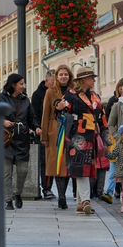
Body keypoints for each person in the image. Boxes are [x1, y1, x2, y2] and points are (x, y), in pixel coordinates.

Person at [63, 66, 110, 215]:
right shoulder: (71, 94)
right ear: (84, 79)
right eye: (92, 78)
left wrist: (106, 139)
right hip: (77, 135)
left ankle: (79, 203)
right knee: (81, 167)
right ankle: (86, 201)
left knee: (87, 168)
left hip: (92, 137)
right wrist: (57, 106)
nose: (94, 80)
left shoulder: (95, 96)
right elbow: (60, 109)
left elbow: (102, 119)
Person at [0, 73, 41, 211]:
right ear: (13, 84)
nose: (23, 86)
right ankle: (8, 200)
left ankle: (18, 193)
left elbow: (31, 117)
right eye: (21, 83)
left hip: (22, 140)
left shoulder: (25, 100)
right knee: (6, 173)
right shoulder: (0, 98)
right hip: (5, 140)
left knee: (23, 171)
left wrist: (37, 127)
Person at [41, 65, 74, 209]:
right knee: (57, 164)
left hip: (70, 131)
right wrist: (44, 135)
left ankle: (62, 194)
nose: (63, 77)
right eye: (60, 74)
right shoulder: (50, 92)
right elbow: (45, 114)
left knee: (66, 164)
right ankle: (61, 195)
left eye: (66, 74)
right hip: (54, 132)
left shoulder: (73, 92)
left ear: (69, 76)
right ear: (56, 77)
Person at [32, 69, 55, 200]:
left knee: (53, 159)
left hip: (54, 131)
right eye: (53, 82)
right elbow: (34, 114)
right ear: (47, 81)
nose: (54, 84)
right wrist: (37, 128)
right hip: (42, 131)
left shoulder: (55, 92)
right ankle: (46, 188)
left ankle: (50, 188)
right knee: (44, 161)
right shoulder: (37, 94)